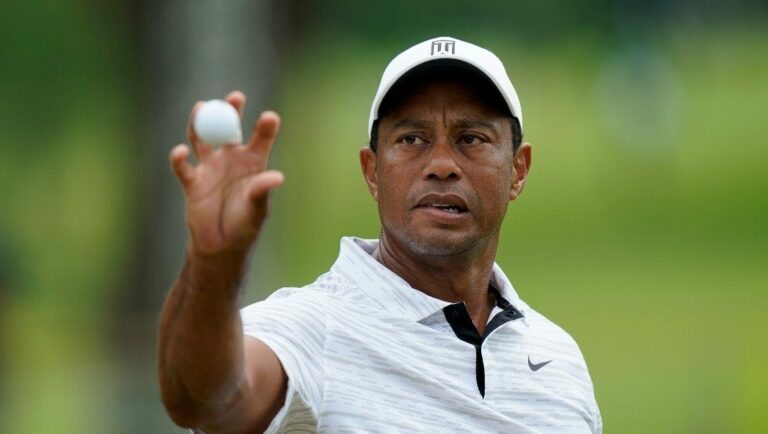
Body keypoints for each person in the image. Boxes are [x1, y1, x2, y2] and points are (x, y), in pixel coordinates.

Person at [158, 36, 602, 433]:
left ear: (517, 171)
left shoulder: (558, 360)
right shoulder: (316, 327)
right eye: (412, 139)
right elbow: (204, 399)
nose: (441, 164)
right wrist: (213, 263)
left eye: (471, 138)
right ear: (372, 172)